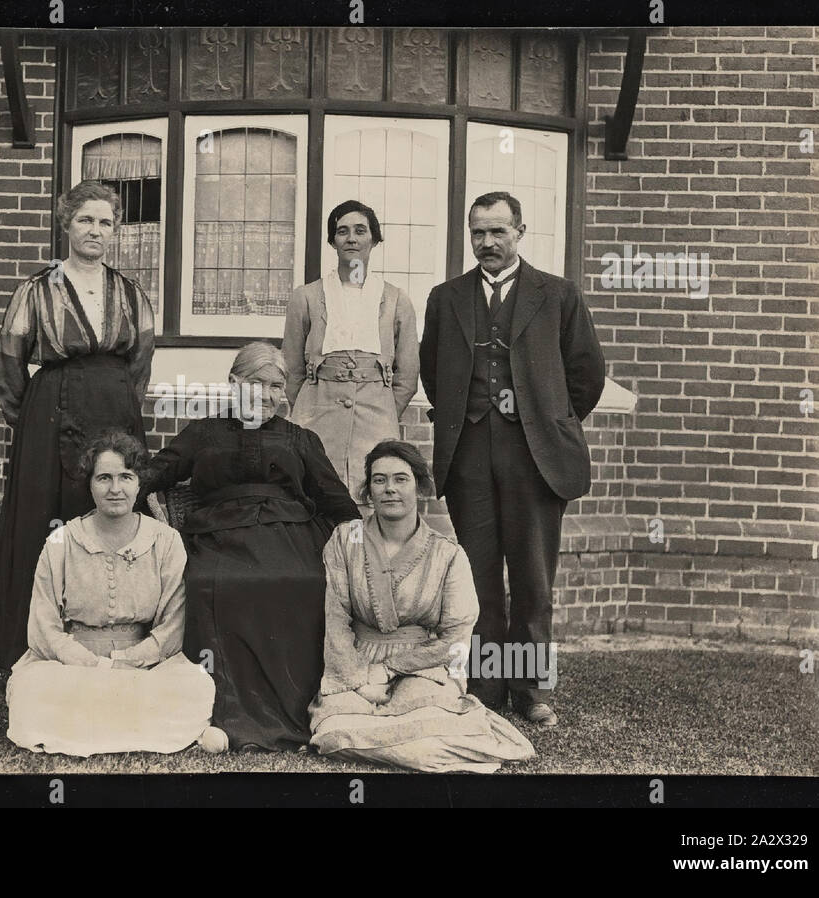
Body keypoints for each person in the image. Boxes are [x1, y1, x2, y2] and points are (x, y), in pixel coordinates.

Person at [419, 191, 606, 726]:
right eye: (478, 232)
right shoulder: (445, 298)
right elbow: (435, 374)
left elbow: (586, 375)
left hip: (535, 458)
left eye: (498, 231)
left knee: (532, 579)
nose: (487, 243)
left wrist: (541, 415)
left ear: (521, 232)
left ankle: (529, 691)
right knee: (476, 579)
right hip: (469, 454)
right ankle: (485, 686)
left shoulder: (558, 295)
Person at [137, 342, 361, 751]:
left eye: (277, 386)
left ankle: (298, 711)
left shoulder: (301, 438)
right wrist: (130, 491)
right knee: (205, 582)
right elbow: (156, 473)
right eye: (257, 384)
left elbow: (336, 500)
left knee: (305, 581)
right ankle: (219, 713)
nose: (268, 395)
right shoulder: (204, 432)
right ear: (234, 384)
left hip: (290, 534)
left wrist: (355, 540)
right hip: (218, 535)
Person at [0, 181, 157, 670]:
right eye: (85, 220)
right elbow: (8, 363)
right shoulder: (37, 289)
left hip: (113, 410)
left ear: (115, 230)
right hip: (49, 414)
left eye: (105, 222)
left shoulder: (129, 292)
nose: (95, 231)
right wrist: (35, 424)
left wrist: (119, 408)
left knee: (109, 512)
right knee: (46, 527)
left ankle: (114, 641)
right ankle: (36, 646)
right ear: (67, 224)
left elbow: (140, 365)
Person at [309, 441, 536, 772]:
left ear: (420, 486)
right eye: (379, 480)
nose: (390, 489)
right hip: (358, 660)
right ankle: (405, 740)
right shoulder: (347, 539)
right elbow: (335, 617)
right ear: (368, 490)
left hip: (425, 664)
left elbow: (456, 637)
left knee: (431, 732)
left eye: (401, 479)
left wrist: (389, 669)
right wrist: (359, 679)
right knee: (332, 734)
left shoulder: (447, 554)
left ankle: (412, 738)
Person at [6, 431, 216, 757]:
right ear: (89, 484)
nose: (115, 489)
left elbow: (174, 624)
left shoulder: (166, 540)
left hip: (144, 664)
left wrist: (129, 661)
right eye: (104, 478)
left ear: (139, 483)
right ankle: (138, 727)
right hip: (72, 663)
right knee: (32, 692)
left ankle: (95, 725)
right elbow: (43, 626)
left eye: (126, 477)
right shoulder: (62, 540)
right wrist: (87, 662)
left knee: (194, 684)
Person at [283, 200, 419, 504]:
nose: (351, 238)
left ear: (374, 239)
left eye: (360, 231)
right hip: (317, 418)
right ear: (333, 241)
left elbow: (407, 377)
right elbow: (291, 370)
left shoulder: (396, 300)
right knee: (314, 496)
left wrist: (381, 410)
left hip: (375, 422)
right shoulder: (305, 297)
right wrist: (310, 409)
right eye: (342, 232)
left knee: (370, 498)